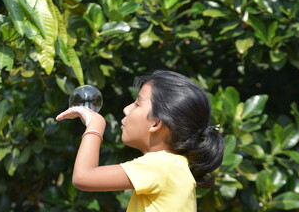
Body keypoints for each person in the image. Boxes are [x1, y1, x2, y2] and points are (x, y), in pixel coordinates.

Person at [56, 70, 224, 212]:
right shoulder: (175, 166)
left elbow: (83, 177)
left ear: (156, 123)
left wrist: (95, 125)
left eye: (137, 104)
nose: (126, 109)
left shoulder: (162, 165)